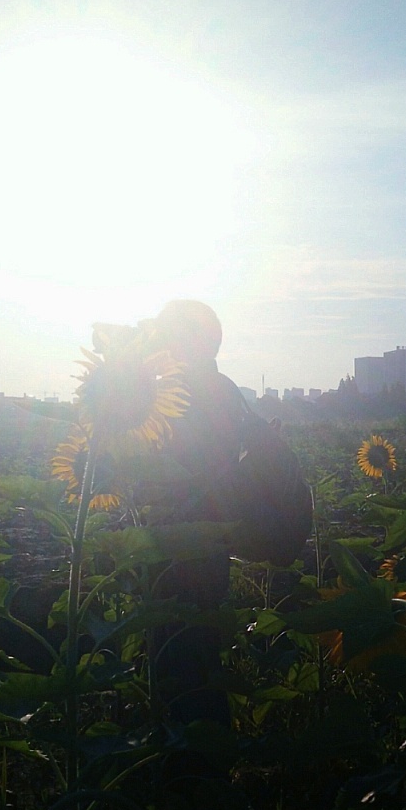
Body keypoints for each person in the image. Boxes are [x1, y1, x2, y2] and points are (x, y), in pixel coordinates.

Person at [134, 300, 312, 725]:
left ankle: (190, 751)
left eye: (163, 333)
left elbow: (183, 473)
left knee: (182, 661)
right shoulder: (214, 388)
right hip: (204, 548)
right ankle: (198, 745)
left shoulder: (187, 393)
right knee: (194, 657)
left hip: (187, 550)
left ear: (183, 341)